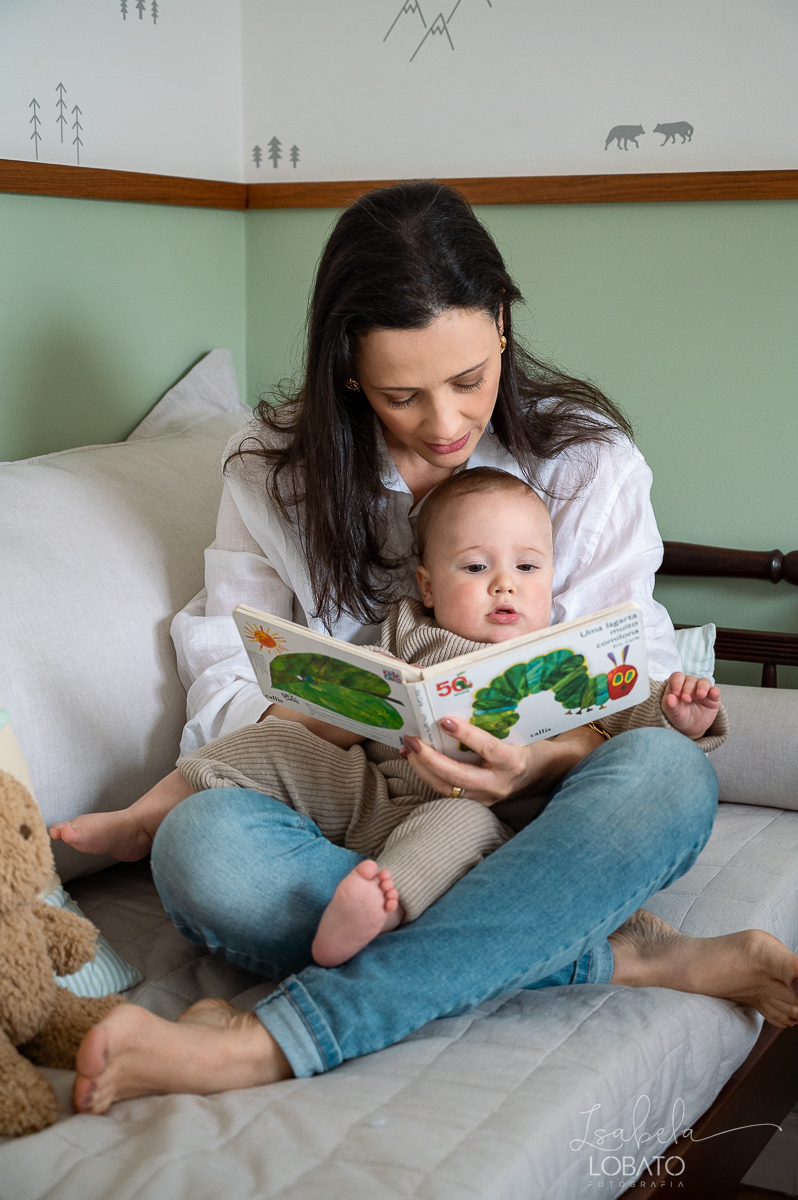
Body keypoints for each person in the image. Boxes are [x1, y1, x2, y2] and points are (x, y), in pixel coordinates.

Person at [53, 182, 798, 1115]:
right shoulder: (277, 471)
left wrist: (538, 758)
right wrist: (329, 711)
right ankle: (621, 950)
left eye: (470, 380)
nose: (445, 425)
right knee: (202, 850)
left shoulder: (590, 466)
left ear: (500, 327)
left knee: (668, 778)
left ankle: (270, 1042)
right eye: (402, 394)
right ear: (348, 370)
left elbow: (626, 682)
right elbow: (224, 677)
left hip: (537, 823)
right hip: (353, 803)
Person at [71, 467, 728, 970]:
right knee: (277, 743)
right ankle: (144, 819)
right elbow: (339, 704)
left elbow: (628, 713)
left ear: (551, 580)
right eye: (476, 567)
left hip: (476, 813)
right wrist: (347, 693)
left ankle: (377, 905)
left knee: (453, 827)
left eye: (527, 567)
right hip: (370, 787)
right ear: (427, 585)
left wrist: (679, 713)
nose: (505, 584)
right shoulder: (408, 635)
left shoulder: (565, 656)